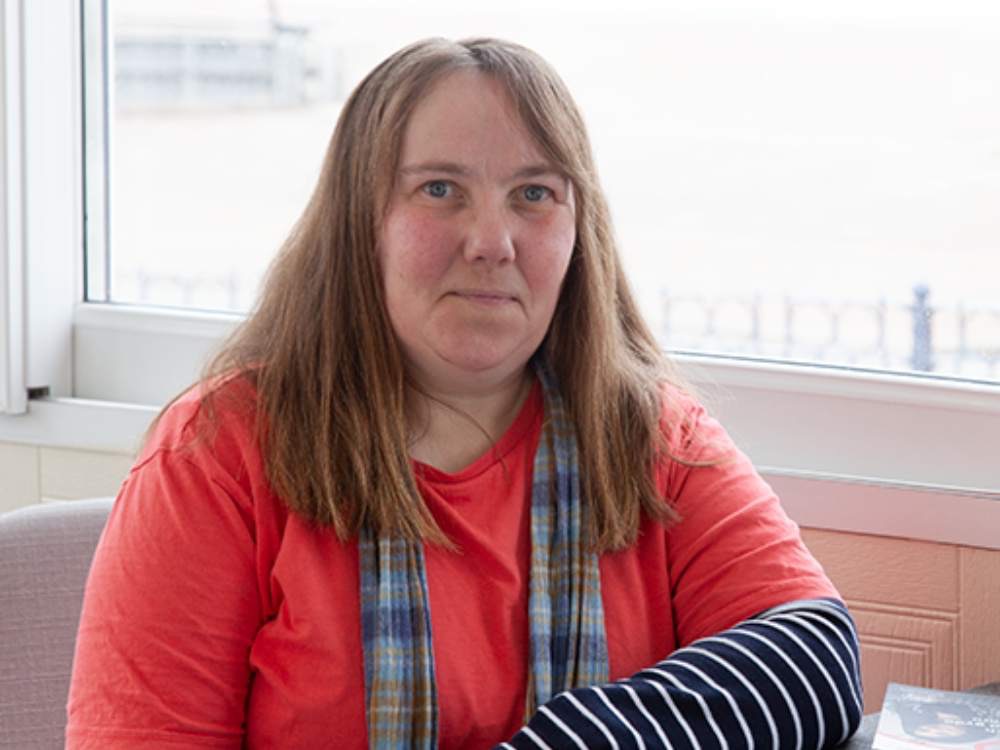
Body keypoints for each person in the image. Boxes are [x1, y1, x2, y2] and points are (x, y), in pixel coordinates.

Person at [66, 37, 862, 749]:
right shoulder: (219, 451)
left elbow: (815, 657)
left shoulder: (654, 436)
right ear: (360, 222)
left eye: (534, 194)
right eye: (440, 190)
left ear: (579, 233)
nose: (492, 243)